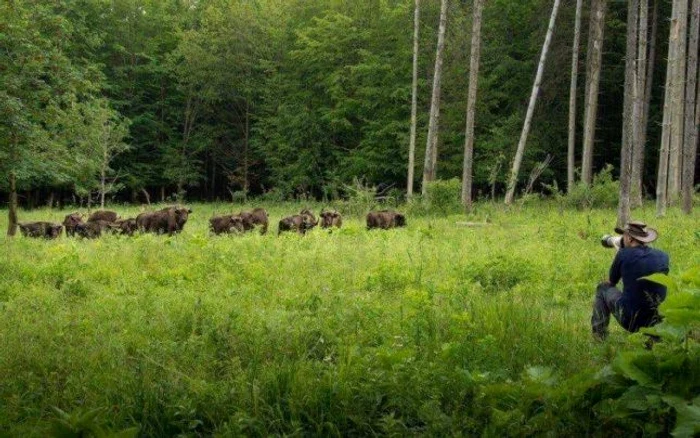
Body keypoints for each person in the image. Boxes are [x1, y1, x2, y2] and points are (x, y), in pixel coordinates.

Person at [591, 220, 670, 340]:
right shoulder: (663, 256)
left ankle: (599, 335)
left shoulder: (623, 254)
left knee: (602, 288)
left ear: (629, 238)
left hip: (630, 319)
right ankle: (654, 339)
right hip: (656, 322)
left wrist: (619, 257)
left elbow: (611, 282)